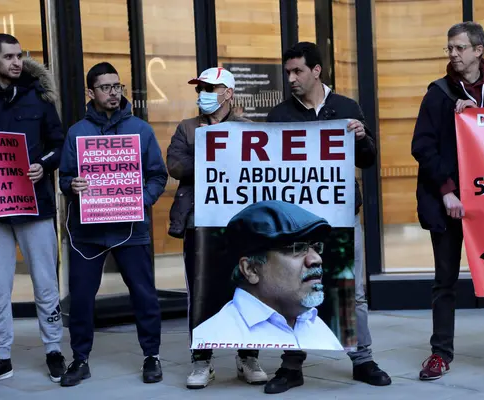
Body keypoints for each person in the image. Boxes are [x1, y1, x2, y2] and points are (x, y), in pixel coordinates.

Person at [263, 41, 391, 395]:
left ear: (316, 70)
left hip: (342, 217)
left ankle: (362, 358)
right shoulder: (279, 116)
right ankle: (291, 365)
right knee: (291, 290)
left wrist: (363, 137)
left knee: (355, 290)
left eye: (297, 71)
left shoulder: (346, 107)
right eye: (287, 72)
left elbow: (367, 159)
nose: (291, 78)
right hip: (297, 222)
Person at [411, 21, 484, 381]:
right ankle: (439, 354)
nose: (452, 54)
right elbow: (423, 146)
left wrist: (478, 119)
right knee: (444, 281)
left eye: (459, 48)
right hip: (448, 202)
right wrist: (447, 190)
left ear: (478, 50)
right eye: (449, 48)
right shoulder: (437, 93)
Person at [58, 62, 168, 386]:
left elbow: (158, 175)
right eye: (105, 87)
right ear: (90, 93)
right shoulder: (76, 133)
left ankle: (152, 356)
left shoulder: (141, 130)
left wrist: (140, 199)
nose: (113, 92)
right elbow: (65, 177)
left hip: (131, 231)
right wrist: (71, 186)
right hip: (88, 233)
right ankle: (80, 360)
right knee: (80, 297)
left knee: (144, 295)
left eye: (117, 86)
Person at [166, 67, 268, 389]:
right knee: (201, 293)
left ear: (228, 93)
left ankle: (248, 356)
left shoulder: (248, 130)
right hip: (199, 223)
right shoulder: (186, 128)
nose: (203, 94)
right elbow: (175, 164)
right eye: (200, 88)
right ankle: (202, 360)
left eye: (210, 88)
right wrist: (213, 154)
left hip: (240, 225)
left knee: (248, 289)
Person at [0, 34, 66, 387]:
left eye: (20, 55)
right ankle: (2, 356)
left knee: (45, 284)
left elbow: (59, 144)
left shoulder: (40, 96)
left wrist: (43, 165)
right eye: (10, 56)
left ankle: (54, 350)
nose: (17, 62)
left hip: (36, 205)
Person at [191, 200, 343, 351]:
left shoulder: (316, 325)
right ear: (251, 269)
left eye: (316, 248)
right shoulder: (212, 335)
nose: (316, 259)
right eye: (297, 248)